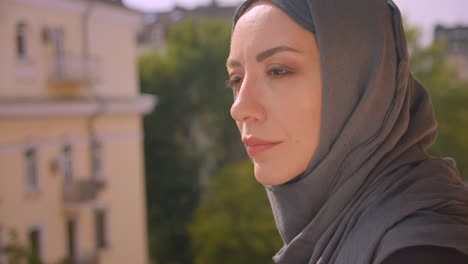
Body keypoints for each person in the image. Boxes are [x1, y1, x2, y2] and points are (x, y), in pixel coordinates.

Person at [225, 0, 468, 263]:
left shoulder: (420, 253)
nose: (239, 108)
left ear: (361, 82)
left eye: (278, 71)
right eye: (236, 79)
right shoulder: (332, 237)